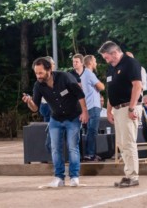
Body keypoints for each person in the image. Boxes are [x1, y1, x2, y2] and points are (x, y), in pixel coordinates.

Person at [22, 57, 88, 188]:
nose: (38, 76)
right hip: (56, 119)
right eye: (36, 73)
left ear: (49, 70)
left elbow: (80, 94)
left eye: (40, 73)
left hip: (73, 117)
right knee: (55, 148)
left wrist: (84, 112)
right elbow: (35, 108)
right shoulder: (38, 85)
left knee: (72, 146)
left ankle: (74, 177)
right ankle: (59, 178)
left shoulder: (65, 77)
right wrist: (29, 102)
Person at [98, 41, 142, 188]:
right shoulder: (111, 68)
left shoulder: (130, 63)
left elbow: (137, 85)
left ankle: (133, 177)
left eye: (106, 57)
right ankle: (128, 174)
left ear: (114, 53)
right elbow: (112, 90)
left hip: (127, 108)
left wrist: (131, 107)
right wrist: (109, 109)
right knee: (122, 144)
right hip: (117, 109)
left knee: (129, 143)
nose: (106, 60)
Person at [81, 54, 105, 161]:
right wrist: (100, 86)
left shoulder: (84, 74)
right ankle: (90, 154)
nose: (96, 63)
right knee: (92, 130)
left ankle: (90, 153)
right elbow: (101, 87)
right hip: (93, 105)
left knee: (90, 130)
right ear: (90, 62)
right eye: (95, 61)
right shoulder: (89, 74)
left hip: (89, 105)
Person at [39, 56, 55, 154]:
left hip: (46, 104)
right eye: (53, 64)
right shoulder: (48, 76)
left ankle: (49, 152)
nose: (54, 65)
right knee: (50, 128)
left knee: (49, 127)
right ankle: (49, 150)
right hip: (47, 105)